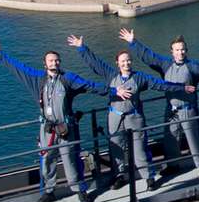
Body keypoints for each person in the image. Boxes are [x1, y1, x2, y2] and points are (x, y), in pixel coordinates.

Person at [0, 38, 107, 202]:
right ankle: (49, 192)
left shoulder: (68, 79)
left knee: (71, 159)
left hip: (66, 127)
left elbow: (90, 85)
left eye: (56, 60)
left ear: (59, 62)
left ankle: (80, 191)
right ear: (45, 63)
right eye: (50, 60)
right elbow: (19, 68)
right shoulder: (38, 79)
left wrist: (113, 90)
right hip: (47, 129)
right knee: (47, 160)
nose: (54, 63)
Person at [117, 28, 199, 179]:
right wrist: (133, 42)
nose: (180, 52)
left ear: (186, 50)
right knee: (170, 138)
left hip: (188, 109)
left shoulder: (193, 66)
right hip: (171, 110)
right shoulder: (165, 64)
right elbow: (149, 57)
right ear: (172, 51)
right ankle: (173, 165)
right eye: (177, 50)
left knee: (194, 139)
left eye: (182, 49)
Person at [69, 36, 186, 192]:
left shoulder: (139, 77)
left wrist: (180, 87)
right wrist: (82, 48)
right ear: (117, 63)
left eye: (128, 60)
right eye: (123, 61)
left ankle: (148, 177)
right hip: (115, 117)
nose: (126, 63)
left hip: (134, 117)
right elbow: (95, 64)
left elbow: (160, 85)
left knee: (140, 148)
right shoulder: (111, 75)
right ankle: (120, 176)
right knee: (116, 148)